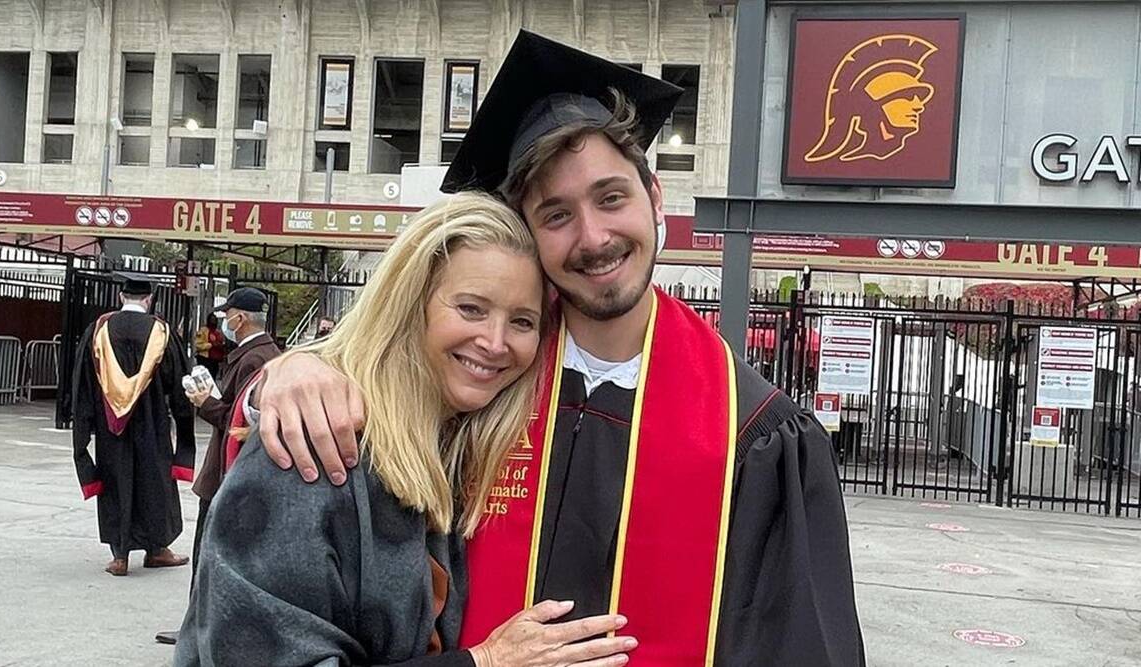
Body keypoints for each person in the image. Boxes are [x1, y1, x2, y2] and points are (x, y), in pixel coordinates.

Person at [252, 31, 865, 665]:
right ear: (529, 233)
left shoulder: (753, 428)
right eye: (556, 215)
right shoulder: (485, 376)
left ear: (654, 199)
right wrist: (292, 369)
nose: (593, 237)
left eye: (611, 198)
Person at [176, 193, 636, 666]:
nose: (496, 342)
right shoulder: (316, 447)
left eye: (522, 321)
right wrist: (487, 662)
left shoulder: (450, 447)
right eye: (471, 309)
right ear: (411, 303)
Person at [154, 287, 281, 646]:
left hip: (230, 469)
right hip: (236, 470)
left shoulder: (255, 359)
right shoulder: (260, 353)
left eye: (227, 317)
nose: (224, 322)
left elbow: (240, 419)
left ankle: (198, 629)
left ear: (240, 318)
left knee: (209, 553)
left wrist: (204, 403)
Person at [71, 274, 196, 577]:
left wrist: (83, 425)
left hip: (110, 426)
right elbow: (178, 385)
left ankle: (120, 554)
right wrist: (184, 426)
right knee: (154, 480)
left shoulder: (98, 331)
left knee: (116, 479)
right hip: (152, 423)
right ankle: (157, 550)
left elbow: (83, 383)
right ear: (149, 300)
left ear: (120, 297)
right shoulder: (161, 332)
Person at [194, 313, 226, 378]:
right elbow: (198, 345)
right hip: (204, 359)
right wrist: (210, 345)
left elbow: (222, 344)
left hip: (215, 361)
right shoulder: (203, 330)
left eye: (214, 320)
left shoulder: (218, 332)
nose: (213, 321)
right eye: (212, 320)